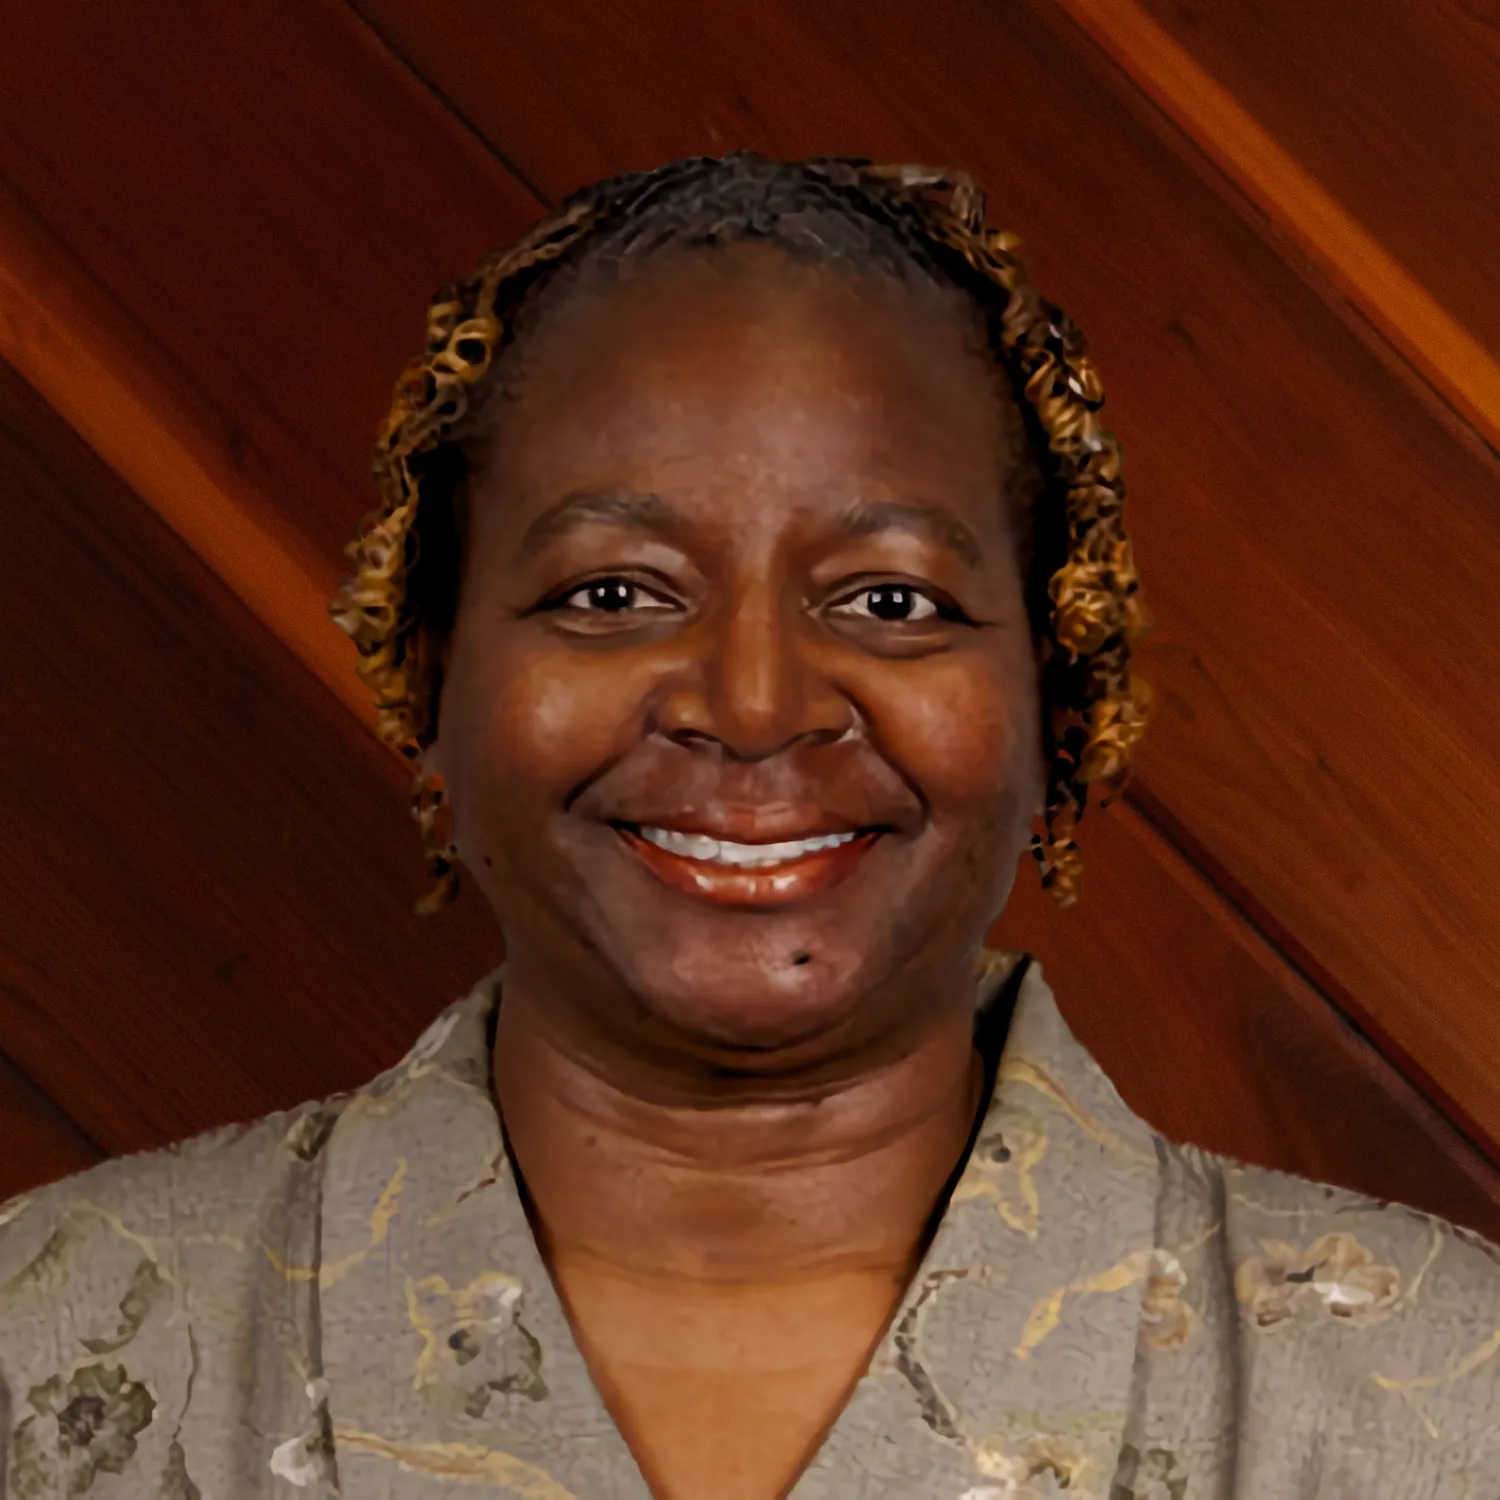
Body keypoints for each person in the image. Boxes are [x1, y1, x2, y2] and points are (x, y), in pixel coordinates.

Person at [1, 152, 1496, 1500]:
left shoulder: (1450, 1405)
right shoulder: (38, 1350)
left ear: (1059, 693)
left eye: (891, 602)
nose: (755, 701)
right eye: (613, 594)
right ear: (433, 674)